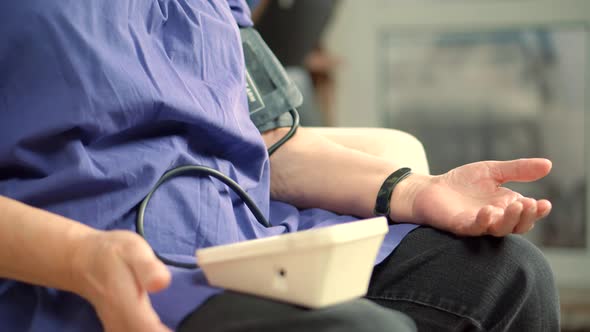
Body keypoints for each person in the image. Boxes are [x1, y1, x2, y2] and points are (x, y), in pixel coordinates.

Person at [0, 1, 559, 331]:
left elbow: (266, 141)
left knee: (508, 277)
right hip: (82, 263)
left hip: (241, 239)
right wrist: (79, 258)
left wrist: (415, 190)